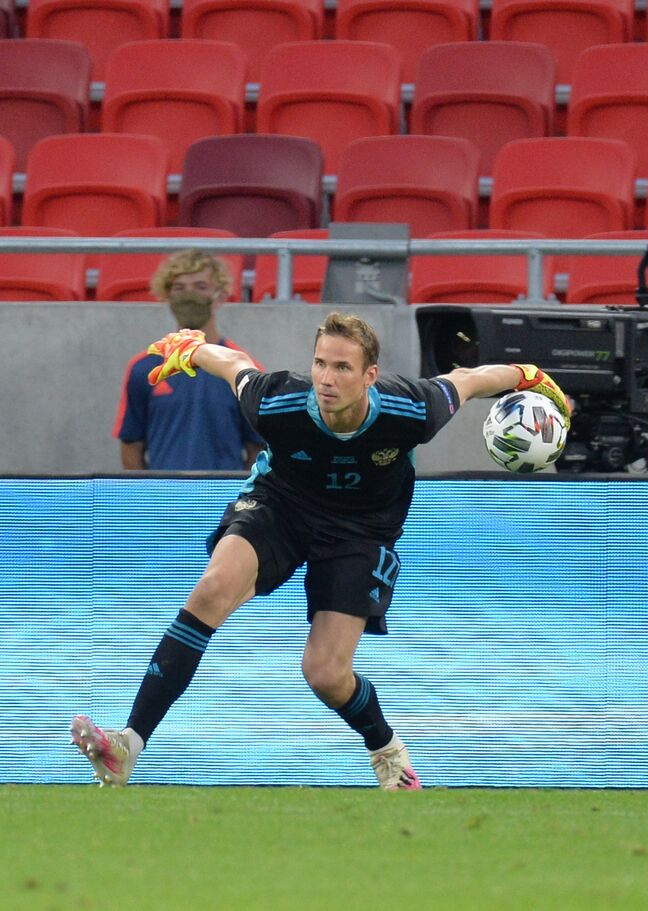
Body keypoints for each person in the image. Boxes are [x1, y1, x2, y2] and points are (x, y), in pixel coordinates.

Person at [72, 313, 571, 789]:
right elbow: (235, 367)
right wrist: (196, 347)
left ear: (369, 375)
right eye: (320, 363)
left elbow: (470, 379)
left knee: (326, 674)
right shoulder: (278, 402)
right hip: (280, 506)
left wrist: (529, 375)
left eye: (342, 367)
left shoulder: (412, 409)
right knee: (212, 588)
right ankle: (128, 744)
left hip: (359, 531)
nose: (326, 378)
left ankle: (390, 753)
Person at [114, 250, 263, 470]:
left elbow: (257, 449)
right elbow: (131, 445)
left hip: (223, 498)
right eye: (179, 288)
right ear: (167, 295)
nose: (189, 295)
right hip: (163, 499)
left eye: (200, 287)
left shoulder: (241, 368)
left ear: (220, 296)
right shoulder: (143, 367)